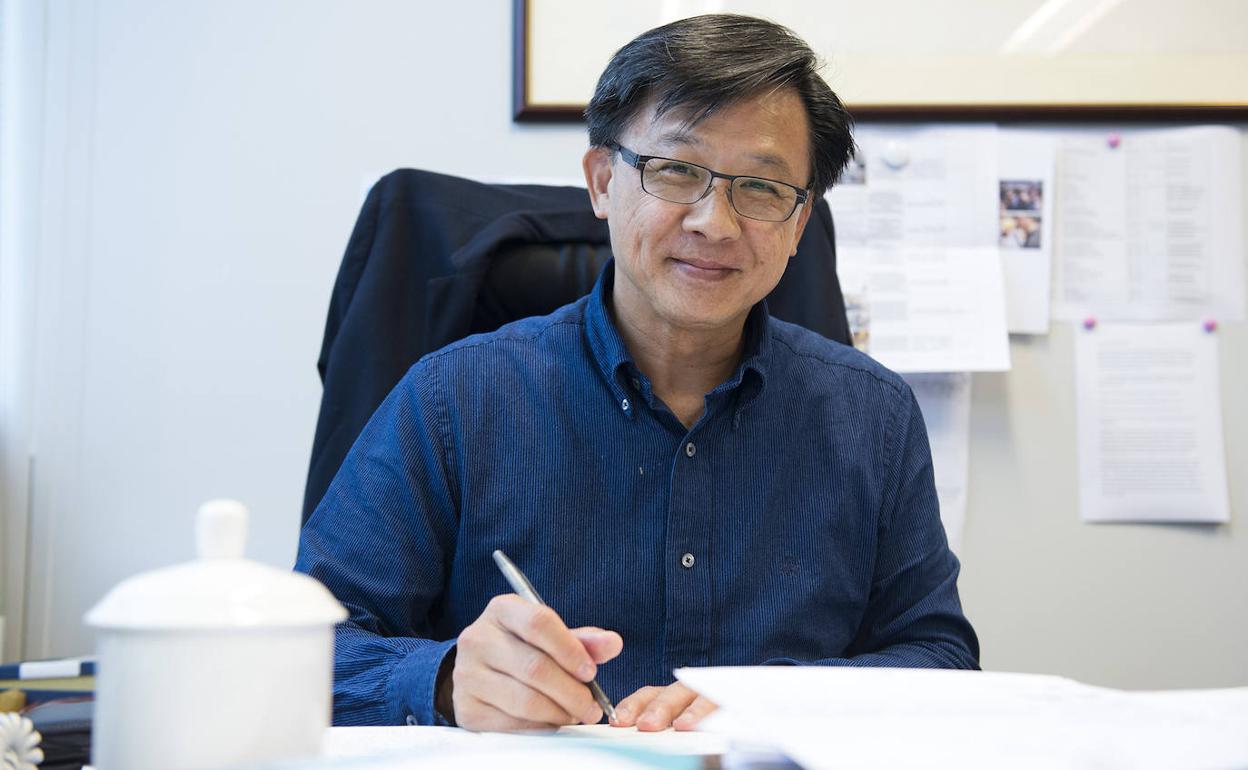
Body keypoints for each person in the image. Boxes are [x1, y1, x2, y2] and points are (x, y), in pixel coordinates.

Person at [295, 13, 979, 733]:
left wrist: (780, 700)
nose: (715, 223)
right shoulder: (451, 401)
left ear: (799, 223)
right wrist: (445, 681)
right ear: (601, 182)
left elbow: (939, 655)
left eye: (762, 187)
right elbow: (307, 649)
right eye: (676, 170)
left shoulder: (873, 414)